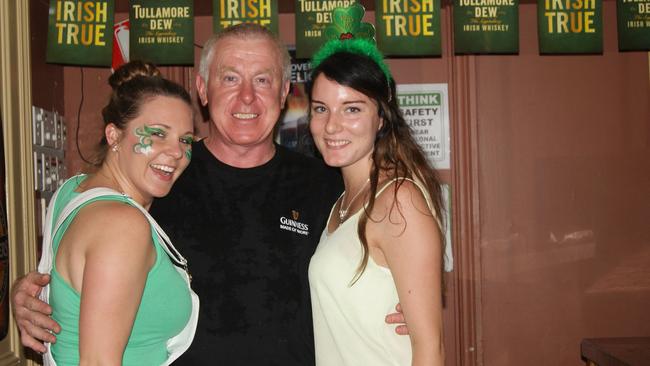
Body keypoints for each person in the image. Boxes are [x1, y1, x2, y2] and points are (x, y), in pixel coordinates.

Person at [12, 23, 408, 365]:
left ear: (285, 91)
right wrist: (34, 292)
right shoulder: (161, 176)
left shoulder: (328, 184)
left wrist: (400, 302)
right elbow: (87, 244)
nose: (247, 97)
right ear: (203, 88)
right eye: (230, 78)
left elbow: (384, 258)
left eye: (263, 80)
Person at [35, 60, 199, 365]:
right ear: (114, 136)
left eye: (185, 139)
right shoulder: (122, 225)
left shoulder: (73, 189)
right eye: (158, 134)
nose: (177, 152)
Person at [307, 38, 445, 365]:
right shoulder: (341, 203)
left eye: (352, 108)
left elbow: (431, 349)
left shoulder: (399, 201)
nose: (331, 125)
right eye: (320, 109)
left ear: (381, 118)